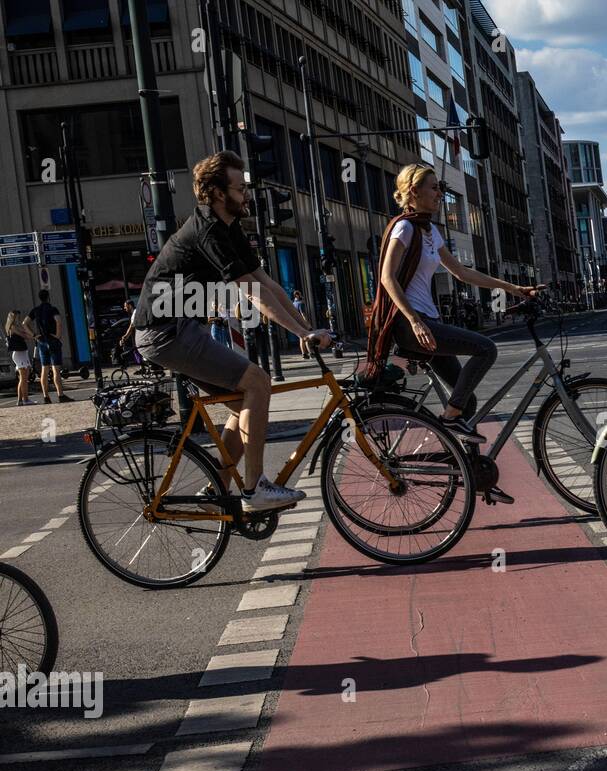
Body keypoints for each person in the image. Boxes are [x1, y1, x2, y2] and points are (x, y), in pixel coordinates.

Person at [131, 150, 332, 512]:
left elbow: (266, 283)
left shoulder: (229, 226)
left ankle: (217, 491)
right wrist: (301, 334)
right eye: (240, 188)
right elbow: (252, 294)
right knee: (258, 382)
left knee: (244, 404)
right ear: (218, 193)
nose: (247, 195)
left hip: (179, 327)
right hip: (164, 332)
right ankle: (255, 490)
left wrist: (306, 329)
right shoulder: (209, 231)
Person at [370, 164, 540, 457]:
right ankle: (449, 420)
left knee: (467, 402)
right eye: (434, 188)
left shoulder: (430, 231)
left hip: (429, 322)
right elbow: (387, 277)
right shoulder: (404, 227)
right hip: (413, 326)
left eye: (440, 188)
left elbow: (462, 272)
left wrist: (513, 288)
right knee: (486, 349)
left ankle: (468, 468)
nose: (440, 194)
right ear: (414, 191)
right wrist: (414, 321)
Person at [28, 289, 70, 403]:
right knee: (56, 369)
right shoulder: (52, 309)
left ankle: (46, 397)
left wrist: (34, 335)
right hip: (52, 340)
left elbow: (24, 323)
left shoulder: (36, 310)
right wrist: (57, 335)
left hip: (41, 341)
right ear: (48, 297)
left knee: (44, 369)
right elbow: (58, 321)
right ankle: (60, 395)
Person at [6, 310, 35, 406]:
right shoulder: (13, 327)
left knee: (23, 378)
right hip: (19, 354)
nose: (18, 318)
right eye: (17, 317)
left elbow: (25, 333)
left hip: (22, 353)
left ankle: (20, 400)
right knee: (24, 378)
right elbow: (24, 335)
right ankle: (25, 400)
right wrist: (32, 336)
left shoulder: (16, 326)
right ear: (13, 318)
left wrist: (30, 334)